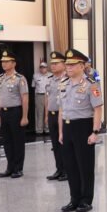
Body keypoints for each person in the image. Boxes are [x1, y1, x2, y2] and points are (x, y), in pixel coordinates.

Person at [58, 49, 104, 212]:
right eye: (67, 64)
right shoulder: (63, 83)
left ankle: (86, 200)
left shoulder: (91, 84)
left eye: (72, 64)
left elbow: (98, 109)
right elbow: (61, 109)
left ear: (82, 66)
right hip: (68, 127)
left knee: (85, 166)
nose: (68, 67)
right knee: (70, 166)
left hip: (83, 127)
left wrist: (95, 132)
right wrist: (61, 132)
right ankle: (74, 199)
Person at [0, 50, 29, 179]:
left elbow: (25, 98)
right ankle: (9, 168)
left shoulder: (20, 78)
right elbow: (0, 97)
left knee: (18, 141)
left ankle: (18, 168)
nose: (4, 64)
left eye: (7, 61)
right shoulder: (0, 78)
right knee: (7, 141)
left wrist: (24, 116)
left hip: (15, 112)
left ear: (14, 63)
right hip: (4, 113)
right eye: (2, 61)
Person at [45, 52, 68, 181]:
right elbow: (47, 98)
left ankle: (67, 171)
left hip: (63, 116)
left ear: (64, 64)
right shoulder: (50, 79)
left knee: (64, 144)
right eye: (51, 63)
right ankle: (59, 169)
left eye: (56, 63)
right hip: (52, 114)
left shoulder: (68, 79)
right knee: (55, 144)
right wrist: (46, 115)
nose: (52, 66)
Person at [32, 62, 50, 135]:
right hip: (39, 95)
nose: (42, 69)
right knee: (39, 113)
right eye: (41, 67)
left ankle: (47, 129)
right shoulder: (35, 75)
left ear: (47, 68)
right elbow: (33, 86)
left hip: (49, 95)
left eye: (44, 67)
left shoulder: (51, 75)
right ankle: (39, 130)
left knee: (48, 112)